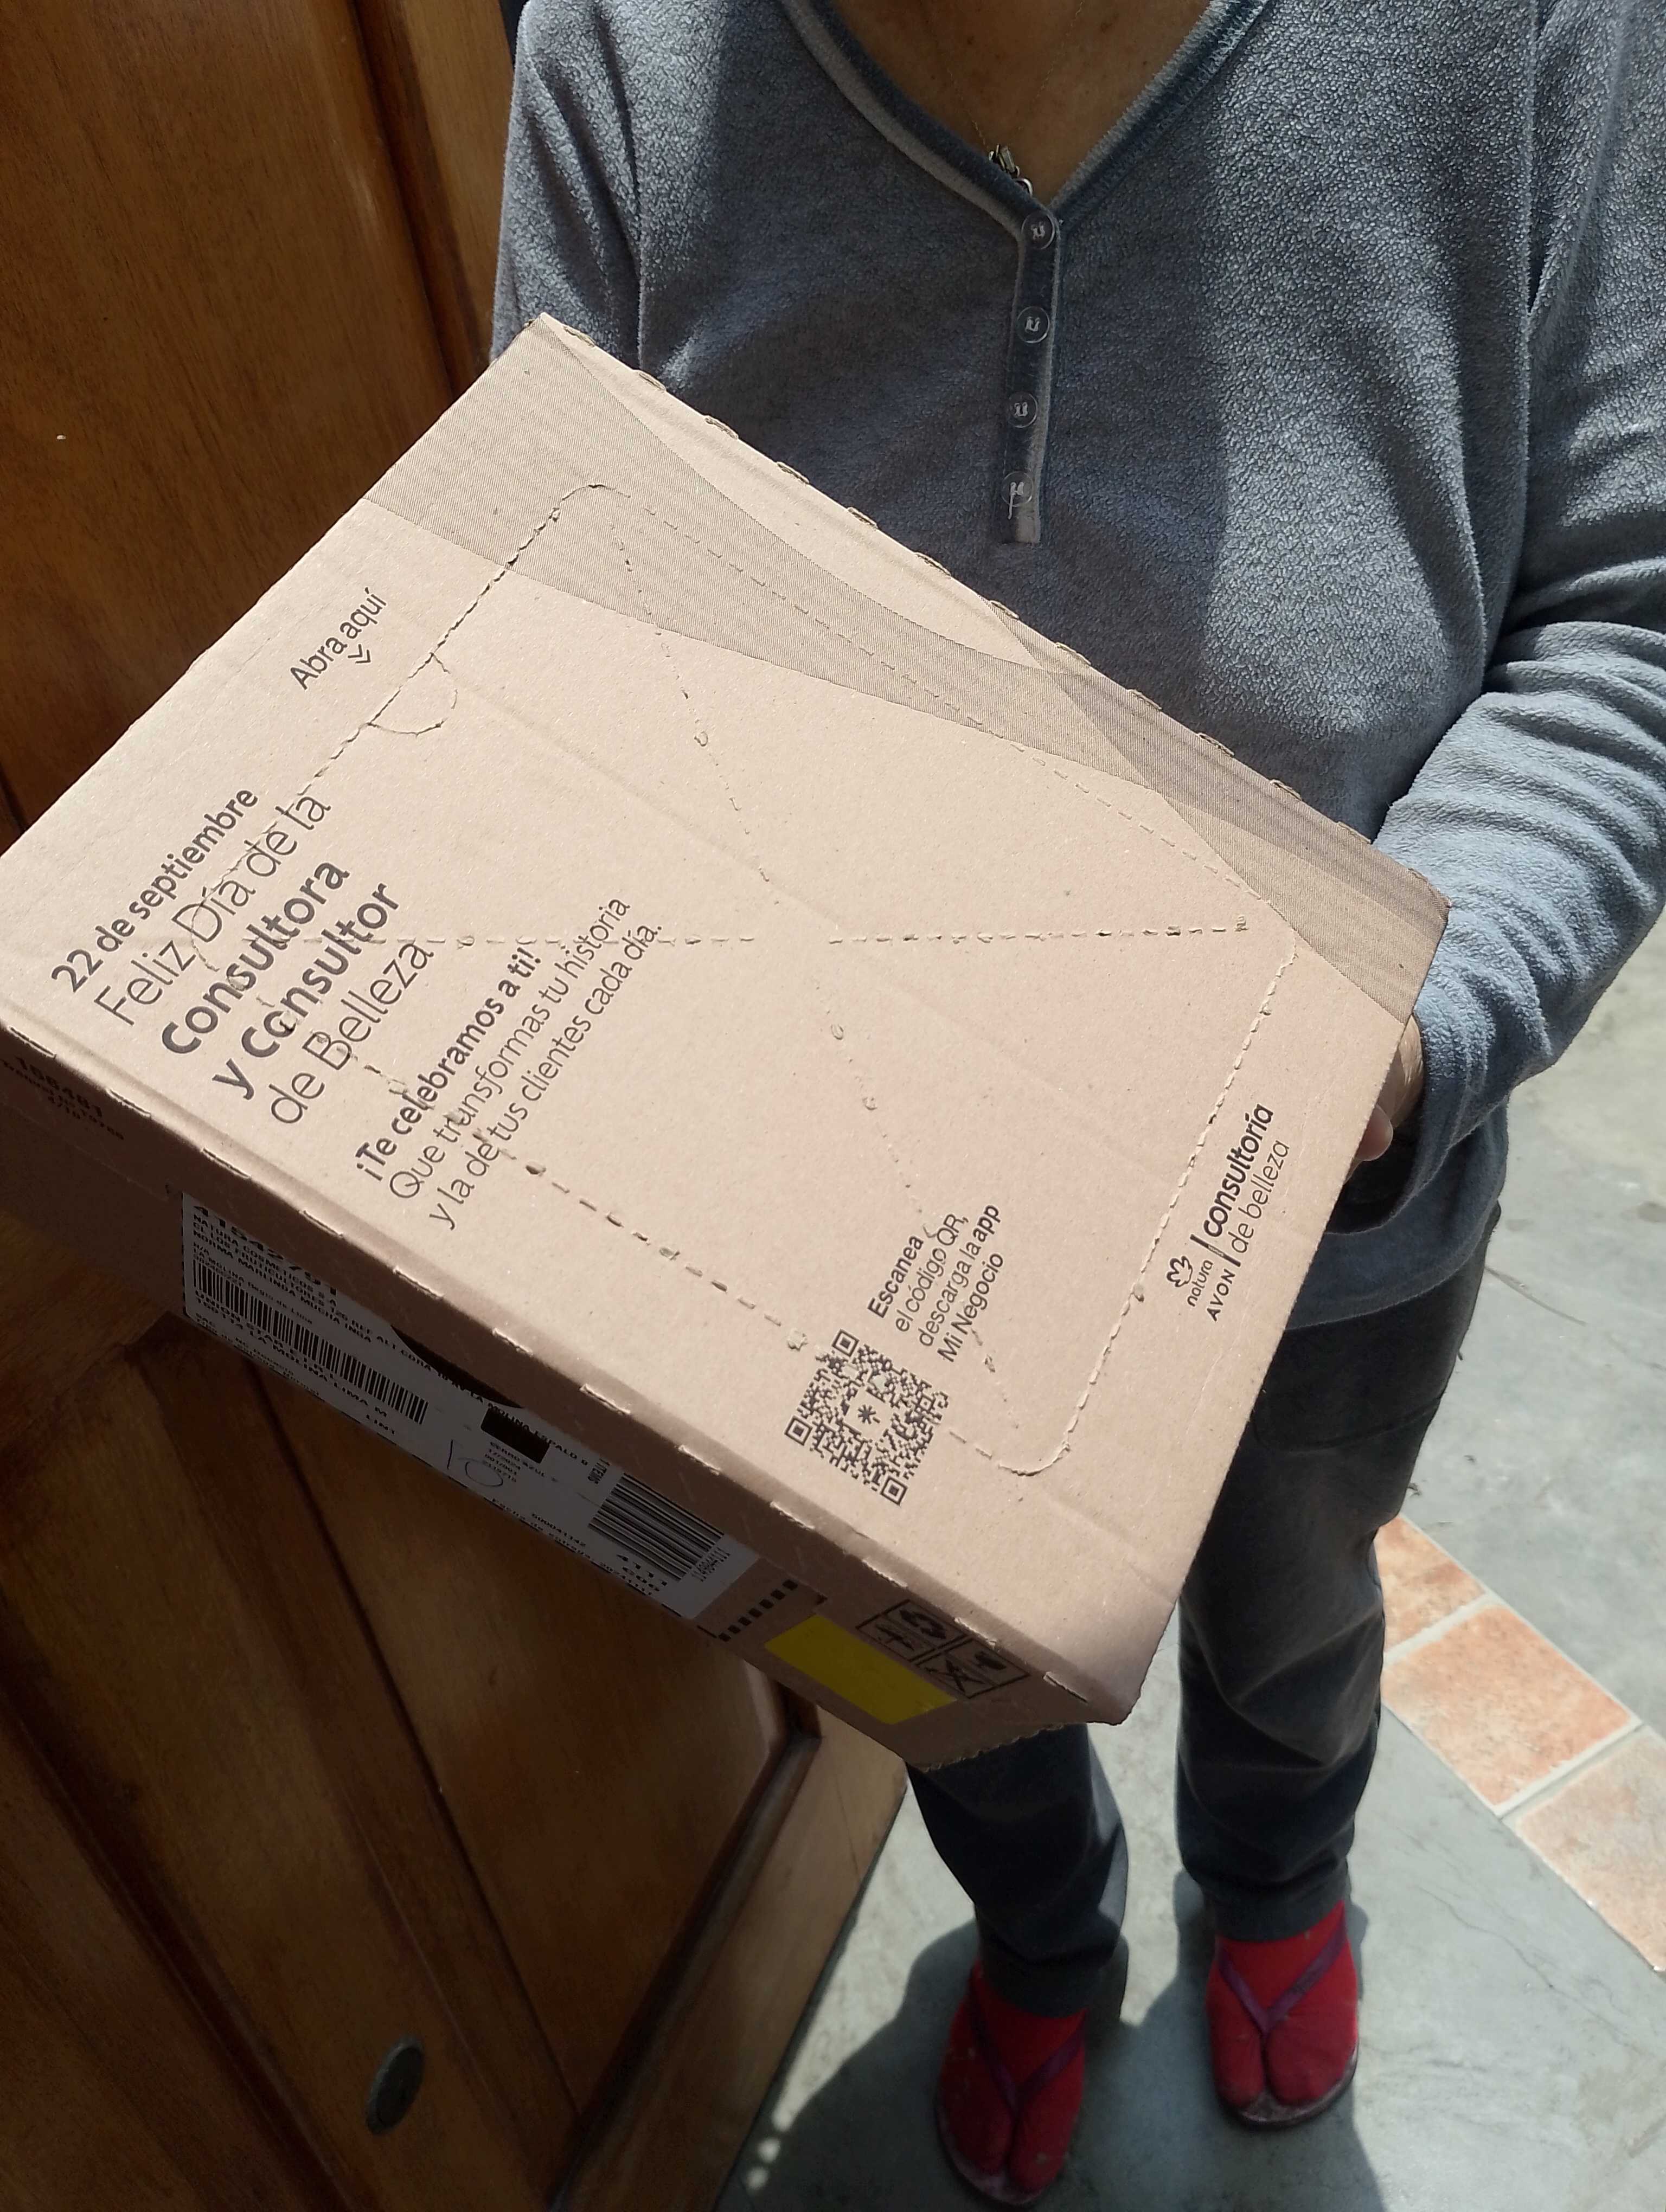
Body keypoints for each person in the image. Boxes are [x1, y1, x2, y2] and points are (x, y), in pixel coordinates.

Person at [493, 0, 1666, 2197]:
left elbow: (1627, 616)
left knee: (1294, 1609)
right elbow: (567, 583)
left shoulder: (1539, 34)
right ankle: (1042, 1927)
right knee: (941, 1659)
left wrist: (1403, 1022)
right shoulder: (621, 46)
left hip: (1332, 1210)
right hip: (843, 1210)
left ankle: (1279, 1871)